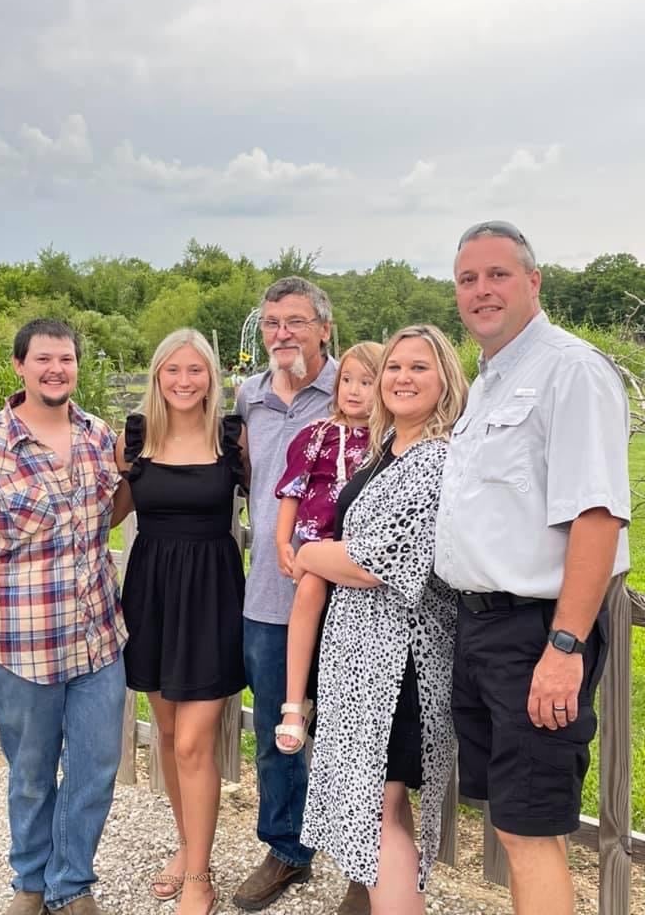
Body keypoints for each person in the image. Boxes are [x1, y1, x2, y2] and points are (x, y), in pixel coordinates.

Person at [435, 221, 630, 915]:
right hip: (482, 629)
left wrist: (565, 646)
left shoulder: (569, 370)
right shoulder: (492, 379)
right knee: (514, 825)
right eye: (468, 279)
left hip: (537, 634)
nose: (481, 291)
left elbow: (597, 516)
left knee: (532, 827)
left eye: (498, 275)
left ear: (534, 281)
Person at [0, 319, 127, 915]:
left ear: (76, 366)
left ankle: (72, 885)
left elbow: (105, 517)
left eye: (66, 359)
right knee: (31, 774)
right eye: (43, 359)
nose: (56, 370)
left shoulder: (98, 436)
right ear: (19, 366)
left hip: (97, 642)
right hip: (19, 650)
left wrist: (136, 475)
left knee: (95, 771)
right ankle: (30, 884)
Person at [296, 324, 468, 914]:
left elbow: (375, 562)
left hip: (399, 665)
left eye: (419, 367)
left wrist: (312, 554)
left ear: (445, 377)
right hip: (359, 660)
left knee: (376, 809)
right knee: (381, 806)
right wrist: (328, 554)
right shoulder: (384, 452)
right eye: (394, 366)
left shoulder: (436, 460)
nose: (402, 378)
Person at [233, 276, 368, 915]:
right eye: (270, 323)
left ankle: (364, 866)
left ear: (323, 326)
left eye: (293, 321)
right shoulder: (249, 396)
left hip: (349, 598)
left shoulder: (357, 389)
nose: (280, 334)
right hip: (267, 595)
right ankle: (287, 849)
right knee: (275, 730)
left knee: (354, 731)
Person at [115, 328, 248, 915]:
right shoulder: (137, 436)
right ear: (158, 375)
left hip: (212, 593)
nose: (185, 381)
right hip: (152, 591)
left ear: (211, 376)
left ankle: (199, 875)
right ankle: (188, 845)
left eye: (196, 370)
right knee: (168, 735)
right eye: (174, 370)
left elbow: (278, 501)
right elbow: (105, 509)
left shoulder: (232, 436)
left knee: (195, 740)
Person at [273, 341, 382, 753]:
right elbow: (292, 491)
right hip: (319, 544)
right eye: (347, 381)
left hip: (362, 549)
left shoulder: (388, 440)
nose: (354, 391)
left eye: (366, 382)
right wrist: (284, 541)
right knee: (311, 590)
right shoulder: (317, 435)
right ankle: (295, 701)